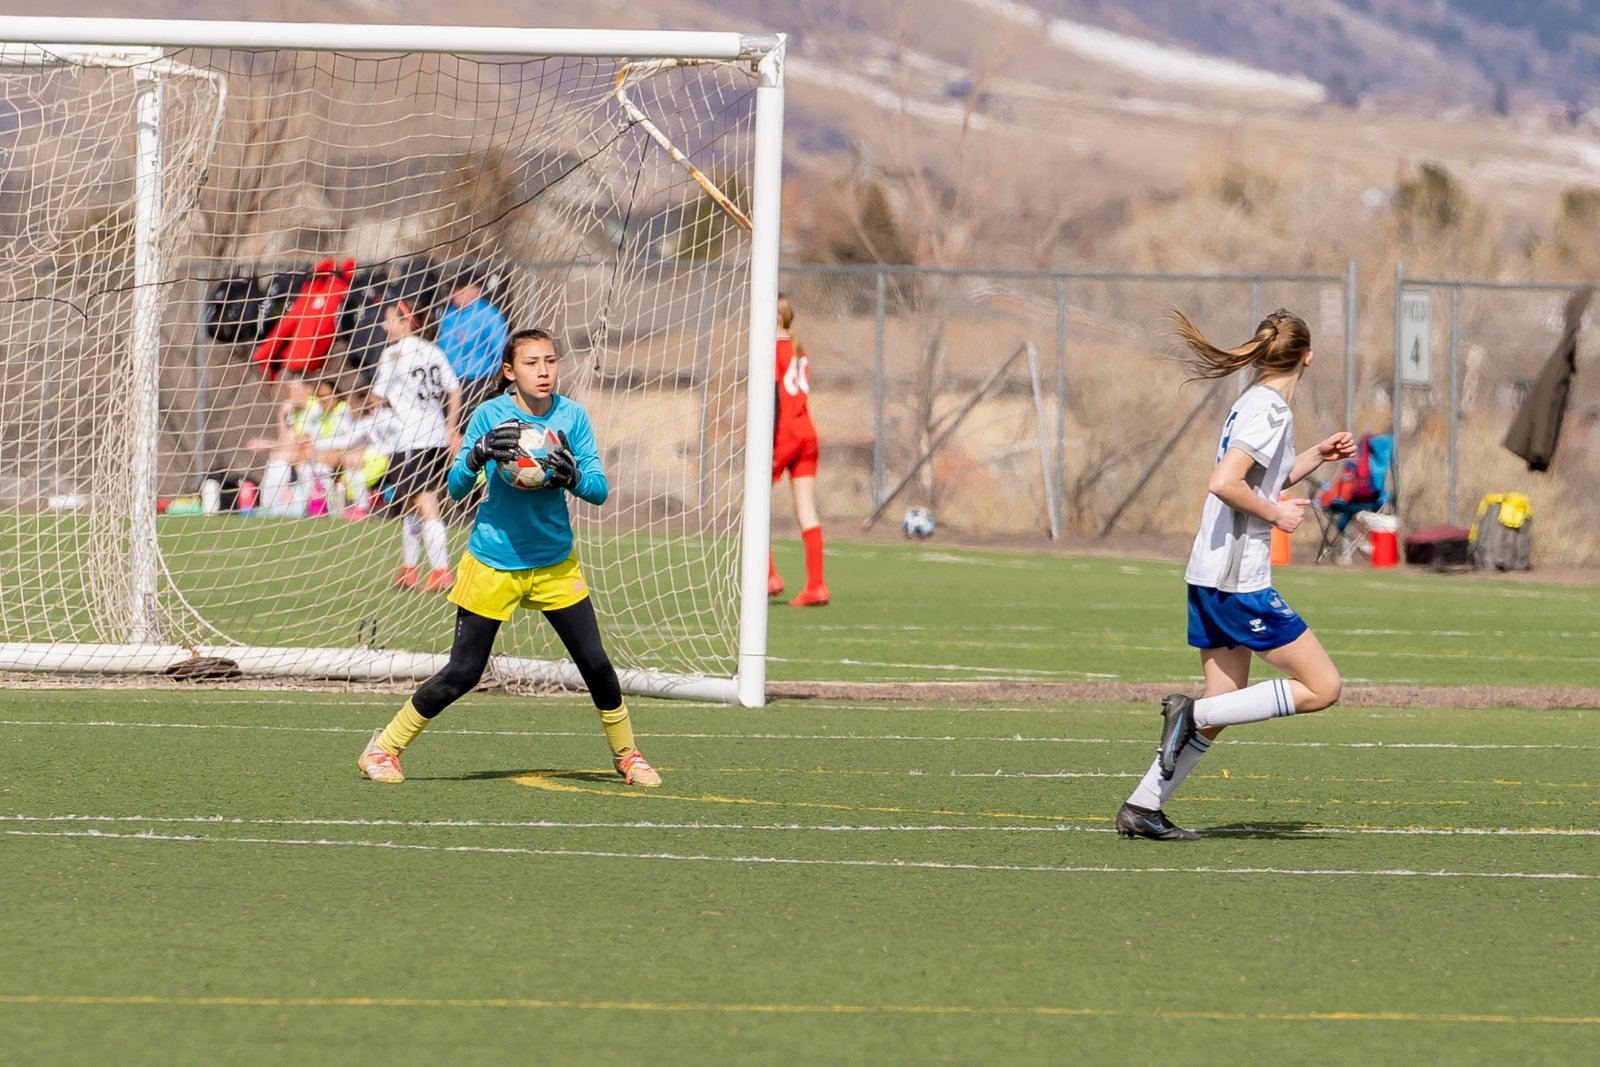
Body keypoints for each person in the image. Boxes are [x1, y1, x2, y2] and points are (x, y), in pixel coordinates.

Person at [357, 327, 663, 788]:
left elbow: (598, 490)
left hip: (554, 562)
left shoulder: (572, 416)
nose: (543, 371)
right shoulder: (490, 414)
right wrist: (476, 455)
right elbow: (455, 488)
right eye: (531, 362)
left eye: (550, 361)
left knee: (595, 663)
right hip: (493, 561)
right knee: (463, 671)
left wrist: (573, 477)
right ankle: (383, 749)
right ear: (509, 370)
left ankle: (628, 756)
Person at [1115, 307, 1355, 841]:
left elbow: (1261, 478)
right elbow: (1225, 482)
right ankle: (1190, 713)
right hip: (1236, 580)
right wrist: (1276, 515)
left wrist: (1315, 455)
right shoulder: (1270, 410)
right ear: (1308, 357)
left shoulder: (1253, 401)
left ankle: (1143, 806)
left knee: (1225, 703)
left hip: (1210, 572)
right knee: (1323, 686)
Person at [370, 296, 462, 590]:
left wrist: (375, 409)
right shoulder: (433, 351)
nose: (384, 326)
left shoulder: (393, 354)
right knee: (411, 503)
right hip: (436, 436)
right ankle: (409, 569)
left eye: (389, 320)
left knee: (425, 502)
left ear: (405, 322)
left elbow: (377, 397)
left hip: (410, 438)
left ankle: (441, 571)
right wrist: (451, 427)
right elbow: (454, 389)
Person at [767, 294, 829, 607]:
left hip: (785, 432)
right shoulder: (798, 347)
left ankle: (769, 576)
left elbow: (774, 397)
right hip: (807, 431)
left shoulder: (770, 347)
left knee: (754, 503)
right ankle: (816, 586)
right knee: (807, 511)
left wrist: (769, 444)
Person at [436, 272, 511, 417]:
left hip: (477, 383)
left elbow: (502, 351)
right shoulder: (448, 315)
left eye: (460, 289)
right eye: (454, 289)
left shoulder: (488, 314)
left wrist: (498, 385)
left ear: (475, 290)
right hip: (449, 384)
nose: (455, 294)